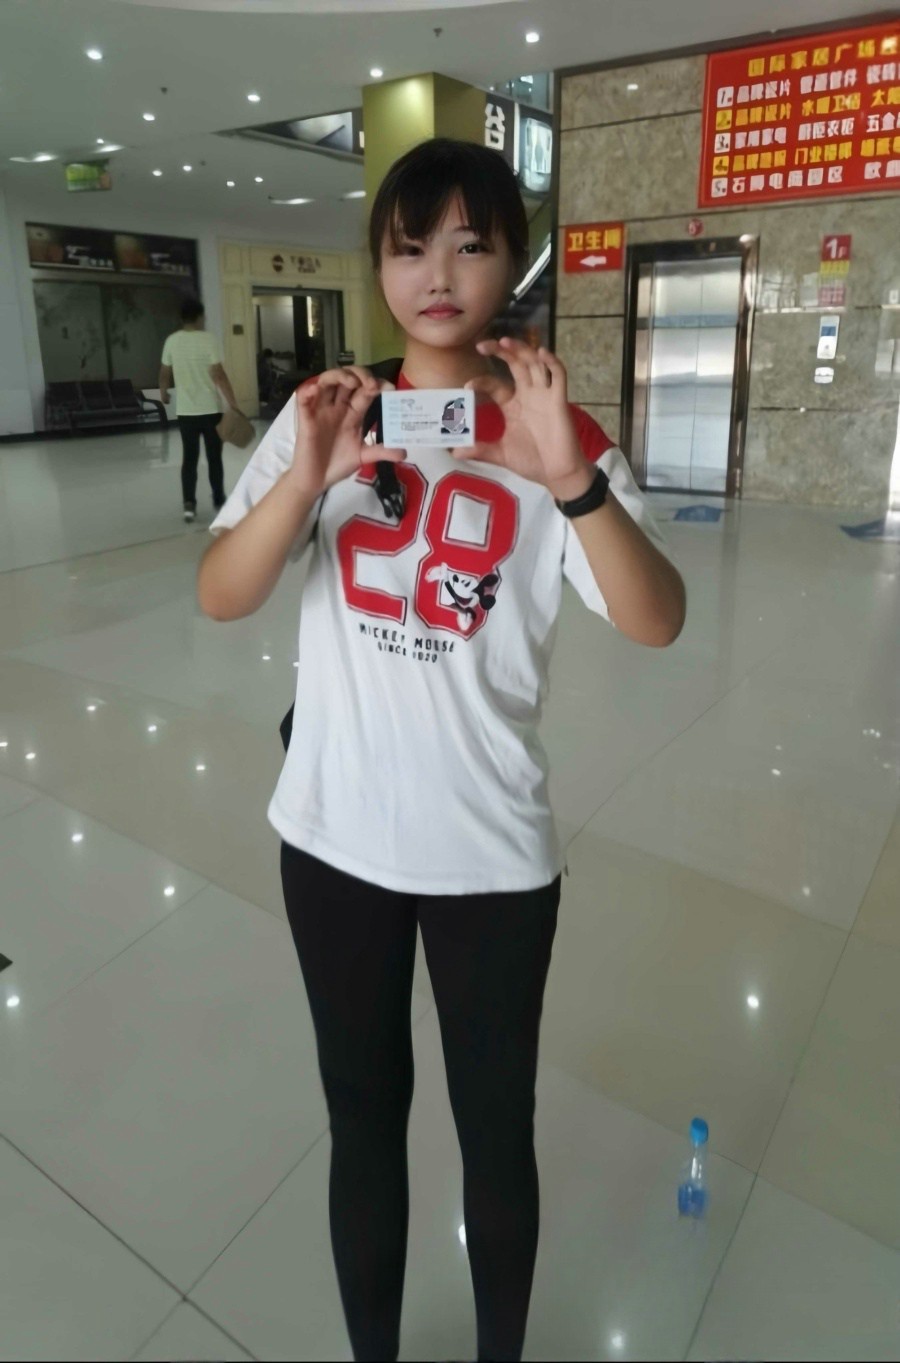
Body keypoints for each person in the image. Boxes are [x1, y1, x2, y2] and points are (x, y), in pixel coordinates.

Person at [197, 138, 685, 1363]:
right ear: (378, 264)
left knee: (494, 1130)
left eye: (471, 245)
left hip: (493, 860)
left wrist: (570, 481)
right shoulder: (327, 415)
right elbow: (220, 593)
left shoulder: (555, 429)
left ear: (512, 263)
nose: (438, 275)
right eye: (410, 247)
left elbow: (657, 618)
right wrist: (303, 482)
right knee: (363, 1123)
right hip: (334, 842)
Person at [159, 297, 239, 523]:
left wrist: (163, 392)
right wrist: (232, 403)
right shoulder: (208, 340)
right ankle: (219, 500)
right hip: (210, 410)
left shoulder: (172, 341)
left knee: (189, 458)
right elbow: (219, 375)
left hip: (186, 412)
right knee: (214, 458)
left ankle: (189, 505)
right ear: (200, 317)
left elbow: (164, 372)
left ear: (181, 317)